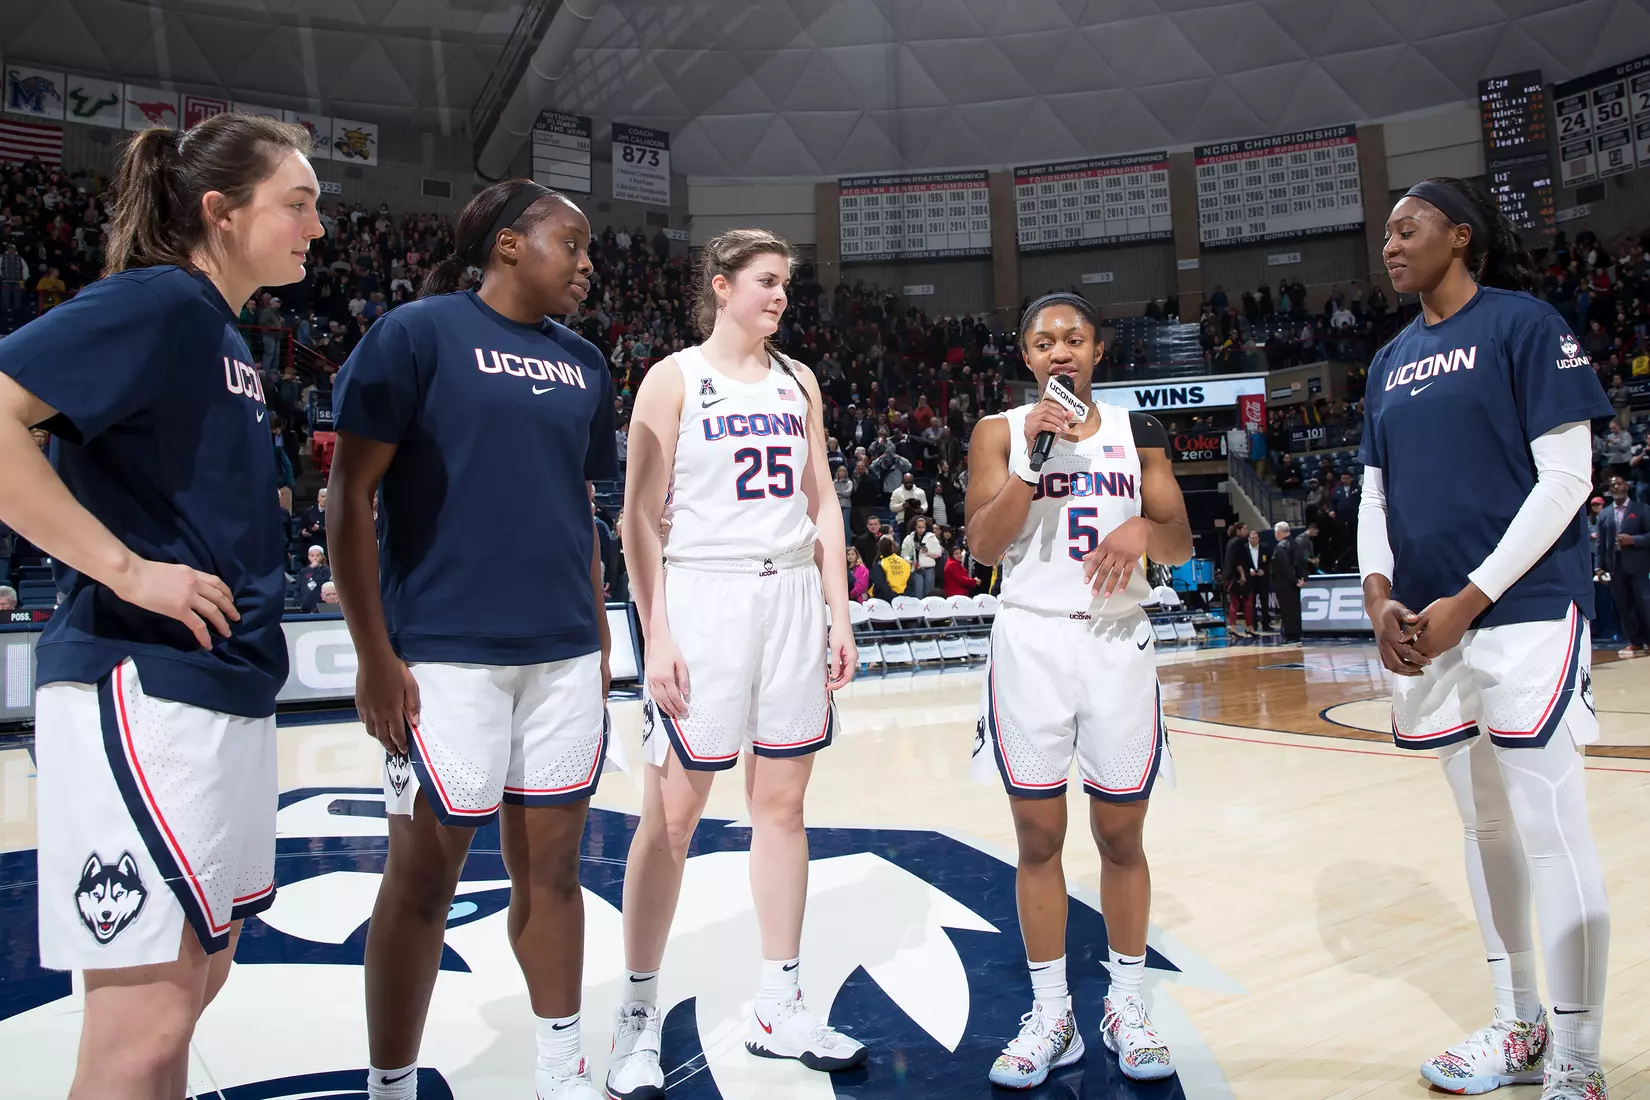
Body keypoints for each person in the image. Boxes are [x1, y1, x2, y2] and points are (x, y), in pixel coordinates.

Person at [0, 113, 321, 1097]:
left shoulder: (217, 329)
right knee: (142, 1025)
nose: (317, 227)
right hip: (144, 683)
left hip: (212, 689)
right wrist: (128, 570)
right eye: (298, 203)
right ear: (222, 212)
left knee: (189, 986)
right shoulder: (160, 301)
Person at [329, 179, 616, 1100]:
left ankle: (562, 1066)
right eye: (571, 243)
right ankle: (391, 1083)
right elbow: (349, 496)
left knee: (556, 875)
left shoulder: (586, 363)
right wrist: (374, 654)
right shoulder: (415, 334)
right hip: (443, 655)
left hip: (564, 653)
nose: (587, 263)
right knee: (423, 880)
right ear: (507, 244)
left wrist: (602, 637)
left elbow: (582, 510)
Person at [1359, 177, 1614, 1100]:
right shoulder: (1388, 362)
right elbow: (1375, 497)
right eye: (1386, 234)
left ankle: (1579, 1060)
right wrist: (1379, 598)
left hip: (1525, 610)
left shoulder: (1524, 324)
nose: (1390, 245)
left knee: (1550, 828)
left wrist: (1470, 598)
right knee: (1486, 827)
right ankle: (1519, 1025)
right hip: (1428, 626)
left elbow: (1567, 479)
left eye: (1408, 229)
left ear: (1460, 236)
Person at [607, 228, 863, 1099]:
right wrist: (657, 632)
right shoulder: (674, 377)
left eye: (785, 282)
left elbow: (821, 500)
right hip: (703, 596)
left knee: (783, 808)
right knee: (672, 820)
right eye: (764, 280)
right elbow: (637, 516)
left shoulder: (799, 380)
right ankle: (637, 1012)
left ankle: (779, 1004)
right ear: (721, 286)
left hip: (789, 595)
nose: (779, 295)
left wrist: (837, 610)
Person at [963, 292, 1192, 1089]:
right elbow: (983, 545)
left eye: (1074, 338)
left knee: (1121, 837)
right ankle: (1051, 1012)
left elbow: (1180, 541)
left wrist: (1142, 531)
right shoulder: (998, 432)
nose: (1059, 351)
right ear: (1026, 356)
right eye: (1043, 341)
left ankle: (1125, 1004)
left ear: (1098, 350)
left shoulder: (1140, 431)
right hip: (1031, 641)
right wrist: (1032, 459)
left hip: (1116, 642)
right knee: (1037, 839)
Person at [1596, 474, 1650, 656]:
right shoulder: (1604, 514)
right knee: (1623, 606)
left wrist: (1633, 540)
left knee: (1644, 602)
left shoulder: (1641, 509)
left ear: (1626, 486)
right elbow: (1600, 543)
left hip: (1639, 565)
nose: (1616, 487)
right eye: (1612, 485)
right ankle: (1634, 642)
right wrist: (1599, 567)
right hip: (1615, 566)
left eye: (1619, 484)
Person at [1270, 520, 1305, 641]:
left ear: (1278, 533)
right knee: (1294, 609)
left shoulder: (1281, 547)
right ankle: (1295, 633)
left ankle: (1290, 635)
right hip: (1294, 584)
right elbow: (1301, 563)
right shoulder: (1296, 544)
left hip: (1285, 584)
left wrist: (1295, 580)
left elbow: (1285, 567)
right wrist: (1301, 578)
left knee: (1287, 610)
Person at [902, 514, 942, 599]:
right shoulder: (909, 538)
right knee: (918, 591)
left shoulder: (932, 538)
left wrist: (928, 552)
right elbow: (904, 552)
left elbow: (938, 553)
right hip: (916, 568)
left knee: (929, 592)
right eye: (919, 527)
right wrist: (908, 560)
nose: (921, 529)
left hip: (929, 568)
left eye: (923, 527)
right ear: (915, 527)